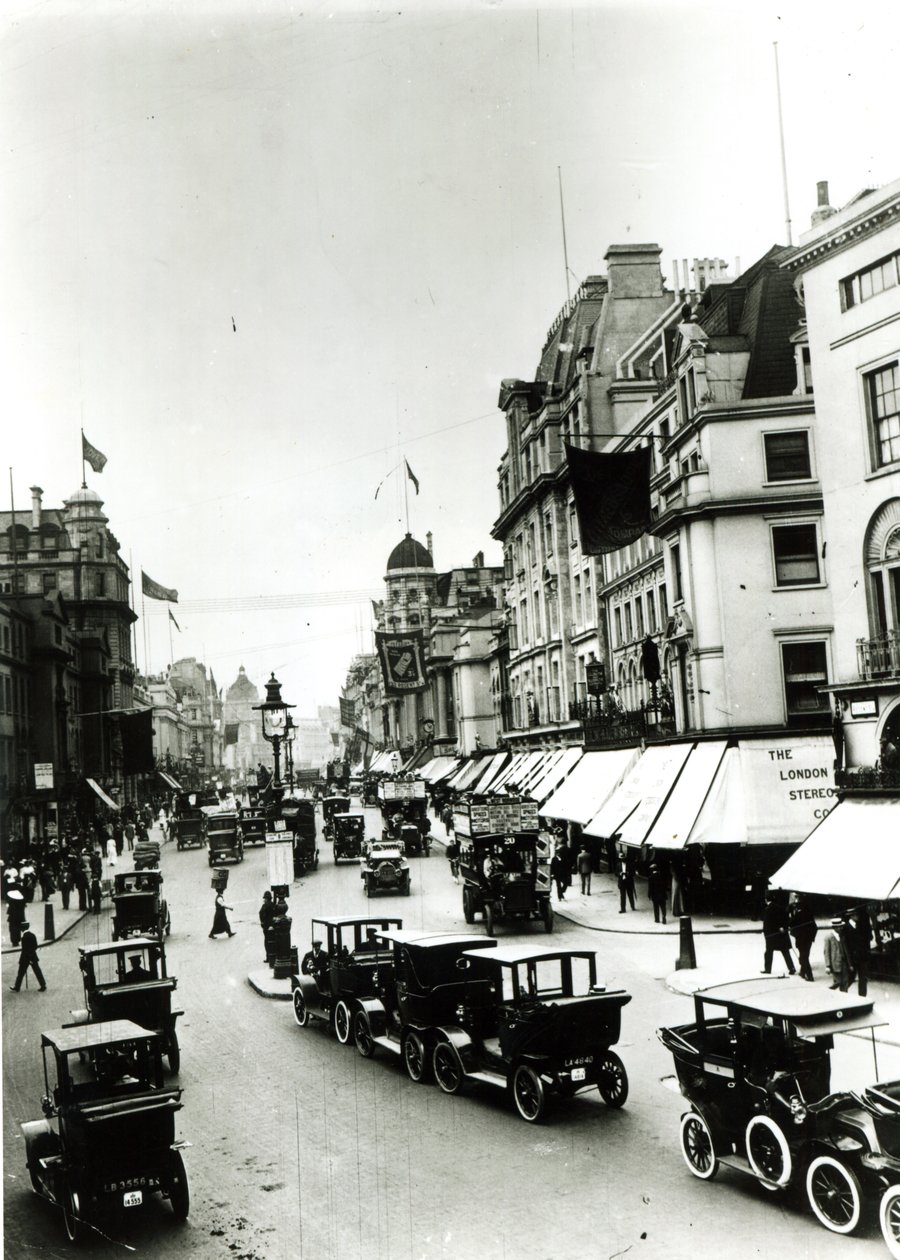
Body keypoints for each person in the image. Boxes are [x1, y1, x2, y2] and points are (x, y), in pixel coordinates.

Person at [761, 892, 796, 975]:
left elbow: (768, 924)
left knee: (768, 952)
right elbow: (786, 918)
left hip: (772, 936)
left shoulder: (768, 909)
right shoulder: (779, 908)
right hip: (781, 935)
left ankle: (768, 969)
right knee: (785, 952)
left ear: (766, 900)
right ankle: (791, 968)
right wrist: (783, 927)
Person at [9, 921, 46, 992]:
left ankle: (17, 987)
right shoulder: (32, 935)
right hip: (33, 957)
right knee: (37, 971)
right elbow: (35, 946)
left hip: (25, 958)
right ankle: (43, 985)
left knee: (20, 973)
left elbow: (25, 949)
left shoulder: (24, 937)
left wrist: (28, 958)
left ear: (22, 929)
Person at [789, 893, 818, 982]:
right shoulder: (808, 912)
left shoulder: (799, 912)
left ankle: (809, 975)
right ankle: (803, 971)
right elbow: (814, 927)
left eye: (797, 898)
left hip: (802, 938)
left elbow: (792, 923)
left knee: (803, 957)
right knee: (804, 955)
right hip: (807, 938)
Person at [846, 906, 872, 997]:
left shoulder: (860, 925)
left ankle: (862, 997)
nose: (858, 916)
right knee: (850, 978)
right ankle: (841, 993)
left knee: (863, 979)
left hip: (862, 957)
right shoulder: (846, 928)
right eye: (855, 915)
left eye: (857, 914)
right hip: (852, 958)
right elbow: (846, 945)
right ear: (851, 916)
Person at [824, 916, 851, 991]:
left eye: (841, 927)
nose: (841, 928)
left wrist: (849, 963)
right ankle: (828, 991)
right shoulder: (829, 937)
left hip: (844, 963)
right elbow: (826, 952)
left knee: (845, 982)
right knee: (838, 982)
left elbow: (846, 950)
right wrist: (828, 966)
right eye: (839, 927)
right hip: (835, 964)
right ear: (834, 927)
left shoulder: (842, 936)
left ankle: (844, 997)